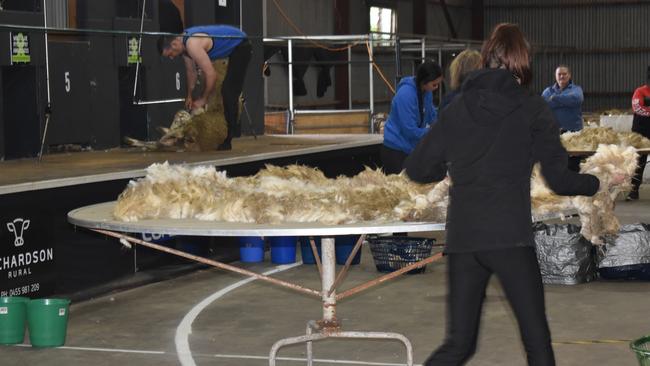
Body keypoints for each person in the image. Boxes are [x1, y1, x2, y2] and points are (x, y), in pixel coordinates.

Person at [404, 23, 624, 366]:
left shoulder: (455, 108)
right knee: (538, 345)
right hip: (510, 239)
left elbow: (417, 169)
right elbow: (560, 180)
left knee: (458, 345)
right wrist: (600, 182)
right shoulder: (533, 108)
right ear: (522, 62)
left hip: (464, 241)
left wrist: (449, 168)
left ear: (487, 57)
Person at [158, 25, 252, 150]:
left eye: (170, 54)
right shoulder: (184, 48)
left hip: (241, 45)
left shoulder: (192, 44)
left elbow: (211, 75)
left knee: (228, 92)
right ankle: (228, 132)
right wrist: (190, 96)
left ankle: (229, 136)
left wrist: (203, 99)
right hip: (232, 46)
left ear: (174, 44)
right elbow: (191, 72)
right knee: (218, 88)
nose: (171, 57)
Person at [381, 61, 443, 174]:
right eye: (434, 84)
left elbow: (431, 115)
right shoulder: (405, 95)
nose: (436, 87)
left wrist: (442, 124)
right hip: (396, 150)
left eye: (438, 84)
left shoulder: (426, 92)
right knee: (401, 189)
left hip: (411, 148)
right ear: (424, 82)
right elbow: (410, 131)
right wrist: (432, 132)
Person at [627, 66, 650, 201]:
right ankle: (633, 190)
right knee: (639, 161)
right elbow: (637, 108)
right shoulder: (640, 91)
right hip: (641, 131)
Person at [542, 65, 584, 132]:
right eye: (559, 74)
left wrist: (554, 97)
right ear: (555, 76)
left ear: (569, 75)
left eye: (564, 74)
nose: (562, 76)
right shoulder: (548, 91)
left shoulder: (576, 89)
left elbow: (577, 99)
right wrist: (567, 102)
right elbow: (543, 105)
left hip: (574, 133)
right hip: (553, 132)